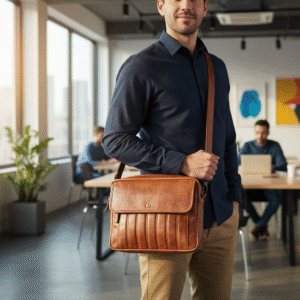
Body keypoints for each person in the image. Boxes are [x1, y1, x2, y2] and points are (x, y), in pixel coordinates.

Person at [103, 0, 242, 299]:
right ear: (161, 5)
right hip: (167, 215)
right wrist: (181, 163)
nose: (185, 5)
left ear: (205, 8)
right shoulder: (141, 67)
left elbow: (227, 137)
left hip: (220, 216)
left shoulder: (216, 67)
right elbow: (115, 139)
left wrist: (235, 199)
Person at [238, 119, 287, 240]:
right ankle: (262, 226)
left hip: (268, 184)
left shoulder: (274, 146)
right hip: (250, 185)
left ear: (268, 132)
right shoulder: (247, 146)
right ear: (254, 132)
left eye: (263, 133)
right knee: (241, 197)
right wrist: (240, 167)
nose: (260, 136)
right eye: (257, 132)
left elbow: (283, 165)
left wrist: (273, 168)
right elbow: (236, 163)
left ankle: (259, 226)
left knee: (276, 200)